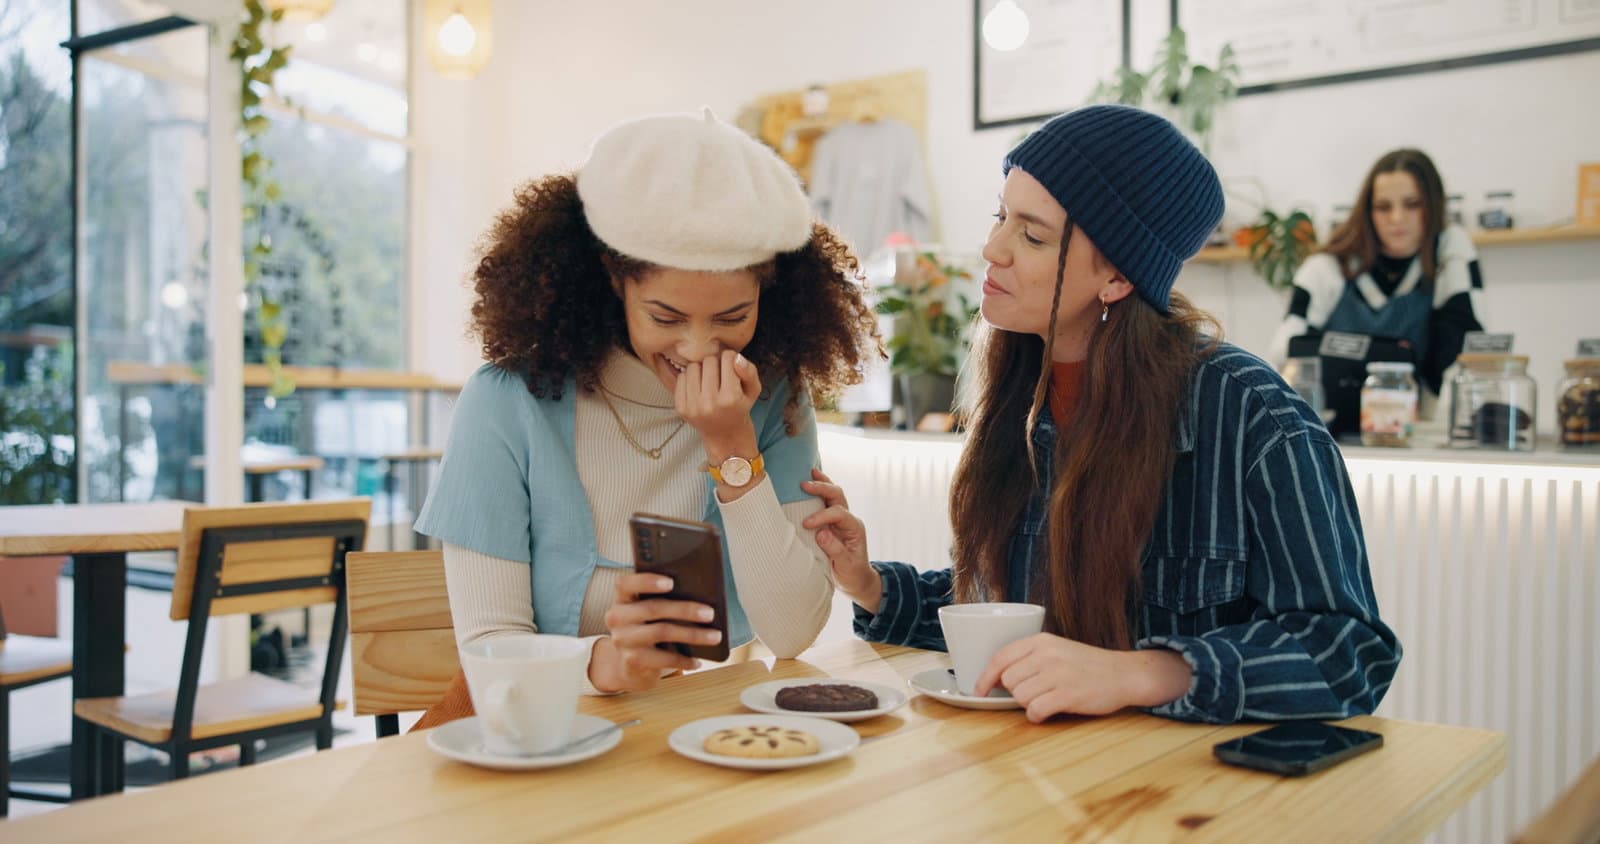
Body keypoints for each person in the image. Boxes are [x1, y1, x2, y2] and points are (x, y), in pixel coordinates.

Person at [802, 105, 1401, 725]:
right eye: (1000, 217)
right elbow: (1016, 628)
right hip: (1045, 784)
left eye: (1032, 236)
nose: (991, 248)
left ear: (1116, 276)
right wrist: (871, 584)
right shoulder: (1021, 401)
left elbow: (1348, 653)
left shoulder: (1251, 414)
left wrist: (1143, 673)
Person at [414, 109, 879, 700]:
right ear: (614, 279)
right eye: (666, 317)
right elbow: (489, 653)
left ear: (768, 290)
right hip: (559, 742)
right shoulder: (506, 404)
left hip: (716, 732)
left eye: (733, 317)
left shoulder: (774, 399)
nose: (698, 348)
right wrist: (605, 665)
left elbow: (790, 635)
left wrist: (732, 447)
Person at [1268, 148, 1484, 400]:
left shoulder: (1449, 256)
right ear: (1367, 211)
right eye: (1383, 207)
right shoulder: (1325, 268)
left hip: (1414, 427)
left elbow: (1468, 358)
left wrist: (1453, 246)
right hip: (1329, 429)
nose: (1397, 218)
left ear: (1433, 206)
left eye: (1412, 204)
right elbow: (1283, 356)